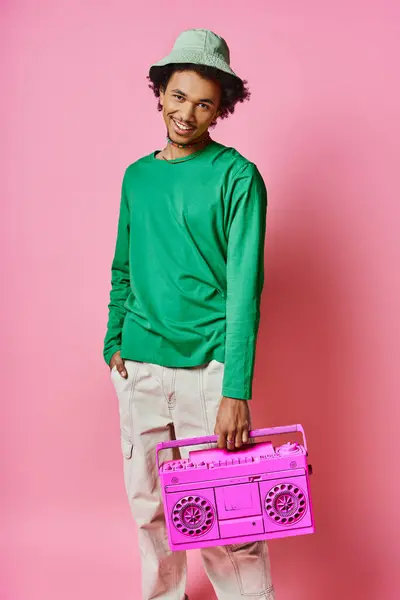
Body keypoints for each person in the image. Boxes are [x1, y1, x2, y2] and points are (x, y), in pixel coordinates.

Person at [103, 28, 275, 600]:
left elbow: (244, 290)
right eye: (178, 96)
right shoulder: (137, 176)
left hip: (208, 371)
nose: (187, 113)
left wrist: (236, 389)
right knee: (150, 514)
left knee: (227, 523)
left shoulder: (238, 177)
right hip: (141, 370)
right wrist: (113, 343)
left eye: (204, 102)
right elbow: (123, 267)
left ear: (222, 107)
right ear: (160, 93)